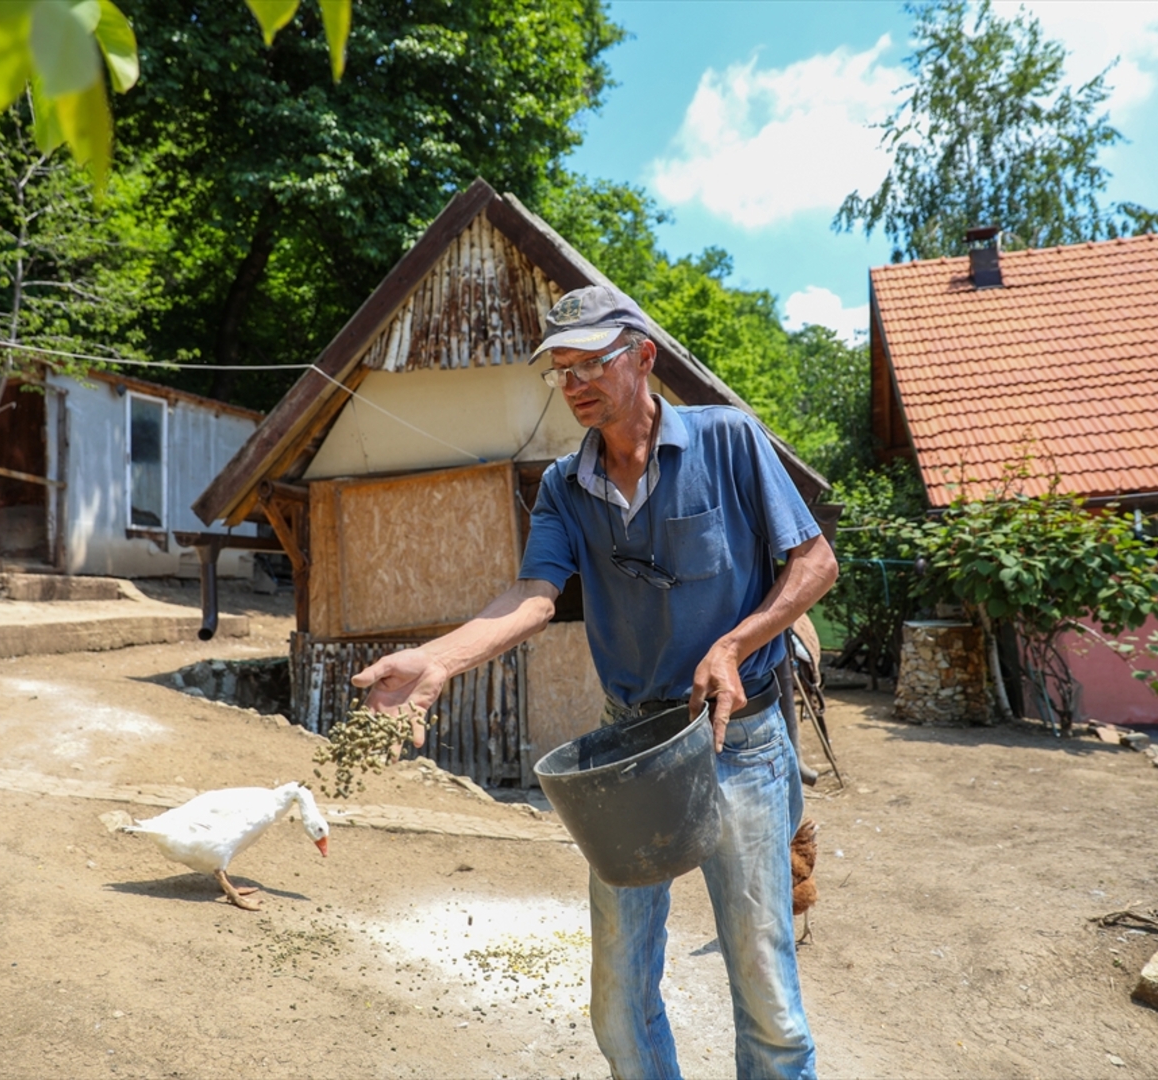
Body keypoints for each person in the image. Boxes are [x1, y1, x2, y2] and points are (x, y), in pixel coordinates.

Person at [352, 283, 838, 1080]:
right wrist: (439, 660)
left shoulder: (728, 441)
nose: (573, 382)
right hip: (633, 752)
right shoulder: (563, 487)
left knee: (767, 994)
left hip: (740, 743)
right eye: (560, 369)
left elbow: (815, 562)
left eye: (590, 362)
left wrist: (736, 641)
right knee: (616, 995)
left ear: (642, 356)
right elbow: (533, 598)